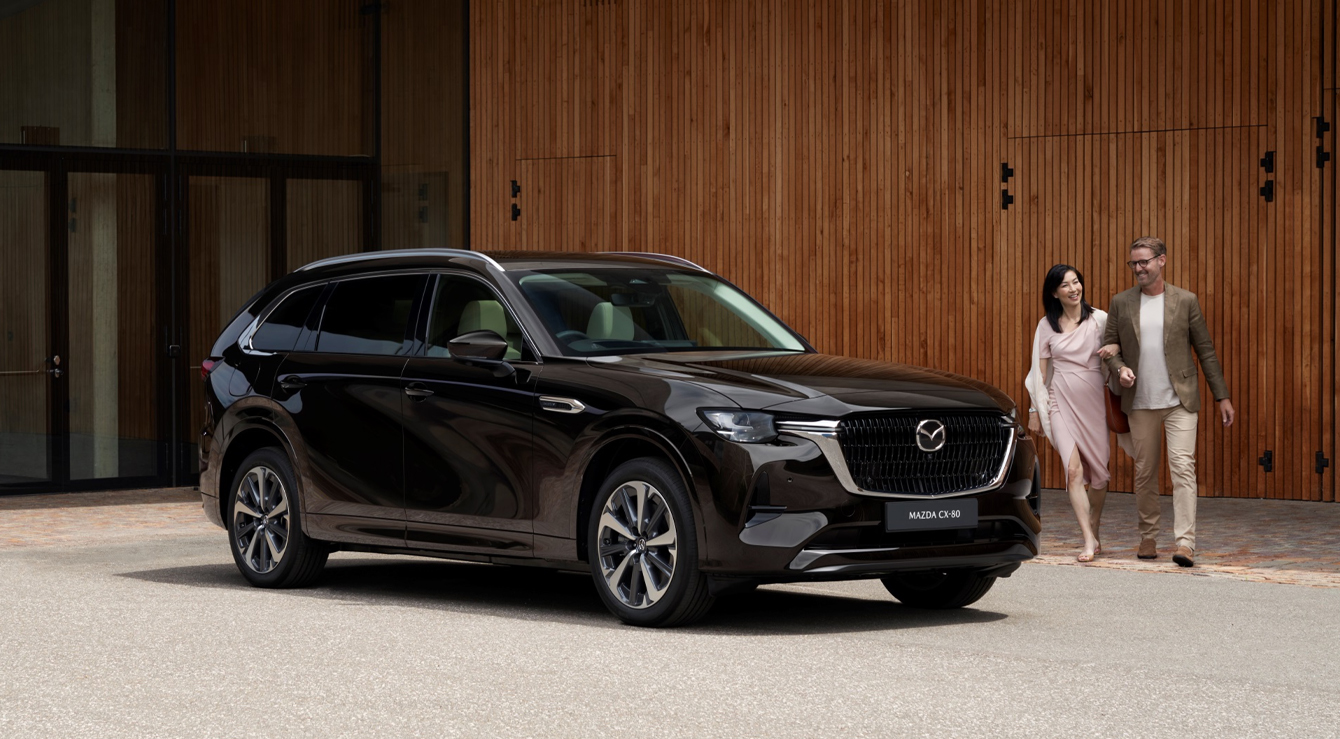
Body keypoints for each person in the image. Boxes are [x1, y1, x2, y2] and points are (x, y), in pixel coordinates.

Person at [1101, 236, 1235, 567]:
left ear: (1162, 260)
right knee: (1145, 472)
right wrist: (1120, 369)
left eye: (1144, 261)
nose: (1138, 268)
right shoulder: (1121, 302)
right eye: (1133, 263)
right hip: (1140, 400)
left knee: (1183, 469)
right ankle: (1148, 537)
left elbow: (1205, 349)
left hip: (1180, 399)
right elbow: (1109, 346)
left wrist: (1222, 396)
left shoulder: (1186, 300)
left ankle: (1185, 542)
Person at [1025, 264, 1128, 562]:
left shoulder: (1099, 319)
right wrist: (1035, 409)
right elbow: (1039, 371)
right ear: (1054, 293)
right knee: (1073, 471)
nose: (1073, 289)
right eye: (1066, 285)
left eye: (1077, 282)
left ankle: (1094, 527)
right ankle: (1086, 539)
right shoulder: (1046, 325)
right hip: (1060, 400)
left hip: (1093, 401)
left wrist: (1119, 363)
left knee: (1098, 476)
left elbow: (1118, 350)